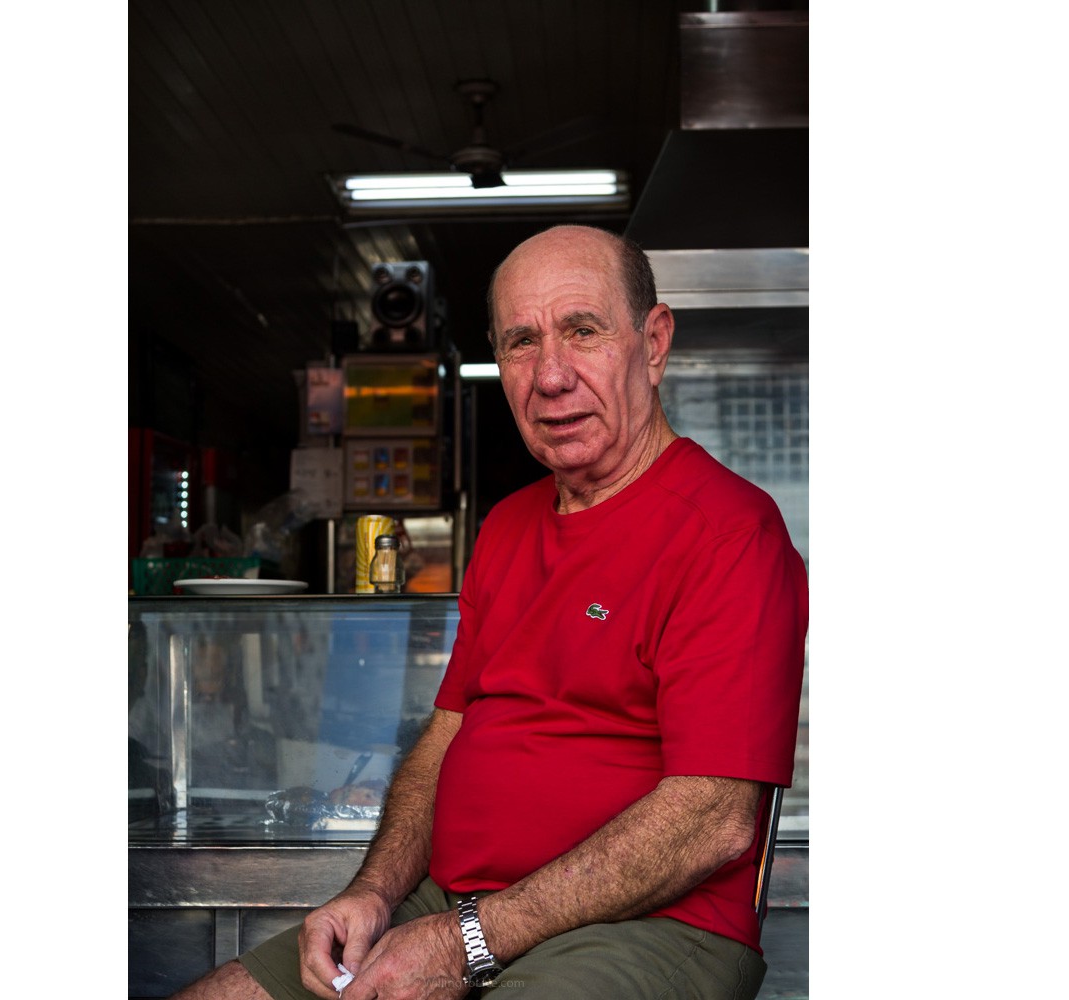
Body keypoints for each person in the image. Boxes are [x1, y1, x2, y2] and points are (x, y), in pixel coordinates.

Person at [172, 224, 808, 1000]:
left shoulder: (730, 531)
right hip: (460, 906)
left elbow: (712, 818)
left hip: (652, 929)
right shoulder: (506, 527)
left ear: (654, 341)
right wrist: (374, 891)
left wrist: (467, 942)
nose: (551, 376)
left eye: (583, 331)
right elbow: (448, 737)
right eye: (520, 343)